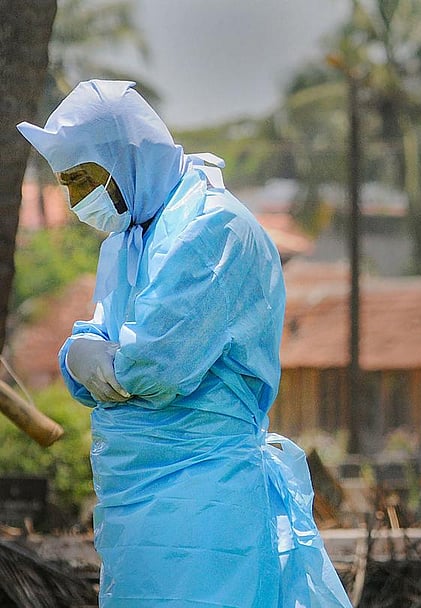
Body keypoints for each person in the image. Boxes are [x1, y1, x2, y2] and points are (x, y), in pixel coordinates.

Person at [18, 80, 352, 608]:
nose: (78, 199)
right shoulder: (128, 240)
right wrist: (82, 355)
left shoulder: (211, 227)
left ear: (123, 156)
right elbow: (102, 348)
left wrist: (94, 359)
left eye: (84, 178)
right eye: (67, 184)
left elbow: (152, 365)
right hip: (136, 503)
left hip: (204, 499)